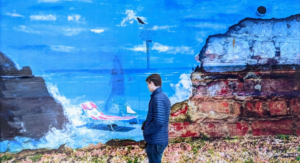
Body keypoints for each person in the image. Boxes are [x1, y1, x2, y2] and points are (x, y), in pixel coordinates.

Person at [142, 74, 171, 163]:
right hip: (158, 139)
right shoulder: (162, 96)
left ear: (152, 83)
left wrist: (146, 130)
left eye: (147, 84)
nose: (147, 87)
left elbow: (158, 122)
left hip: (156, 140)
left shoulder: (158, 98)